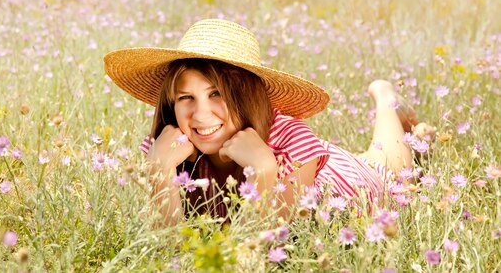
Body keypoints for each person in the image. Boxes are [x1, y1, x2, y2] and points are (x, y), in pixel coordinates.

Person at [104, 19, 434, 226]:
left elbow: (269, 249)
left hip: (343, 185)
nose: (201, 116)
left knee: (388, 167)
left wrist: (263, 170)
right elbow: (164, 253)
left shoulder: (292, 145)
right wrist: (159, 173)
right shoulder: (164, 150)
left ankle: (386, 98)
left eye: (217, 94)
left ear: (248, 95)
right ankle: (416, 133)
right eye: (185, 98)